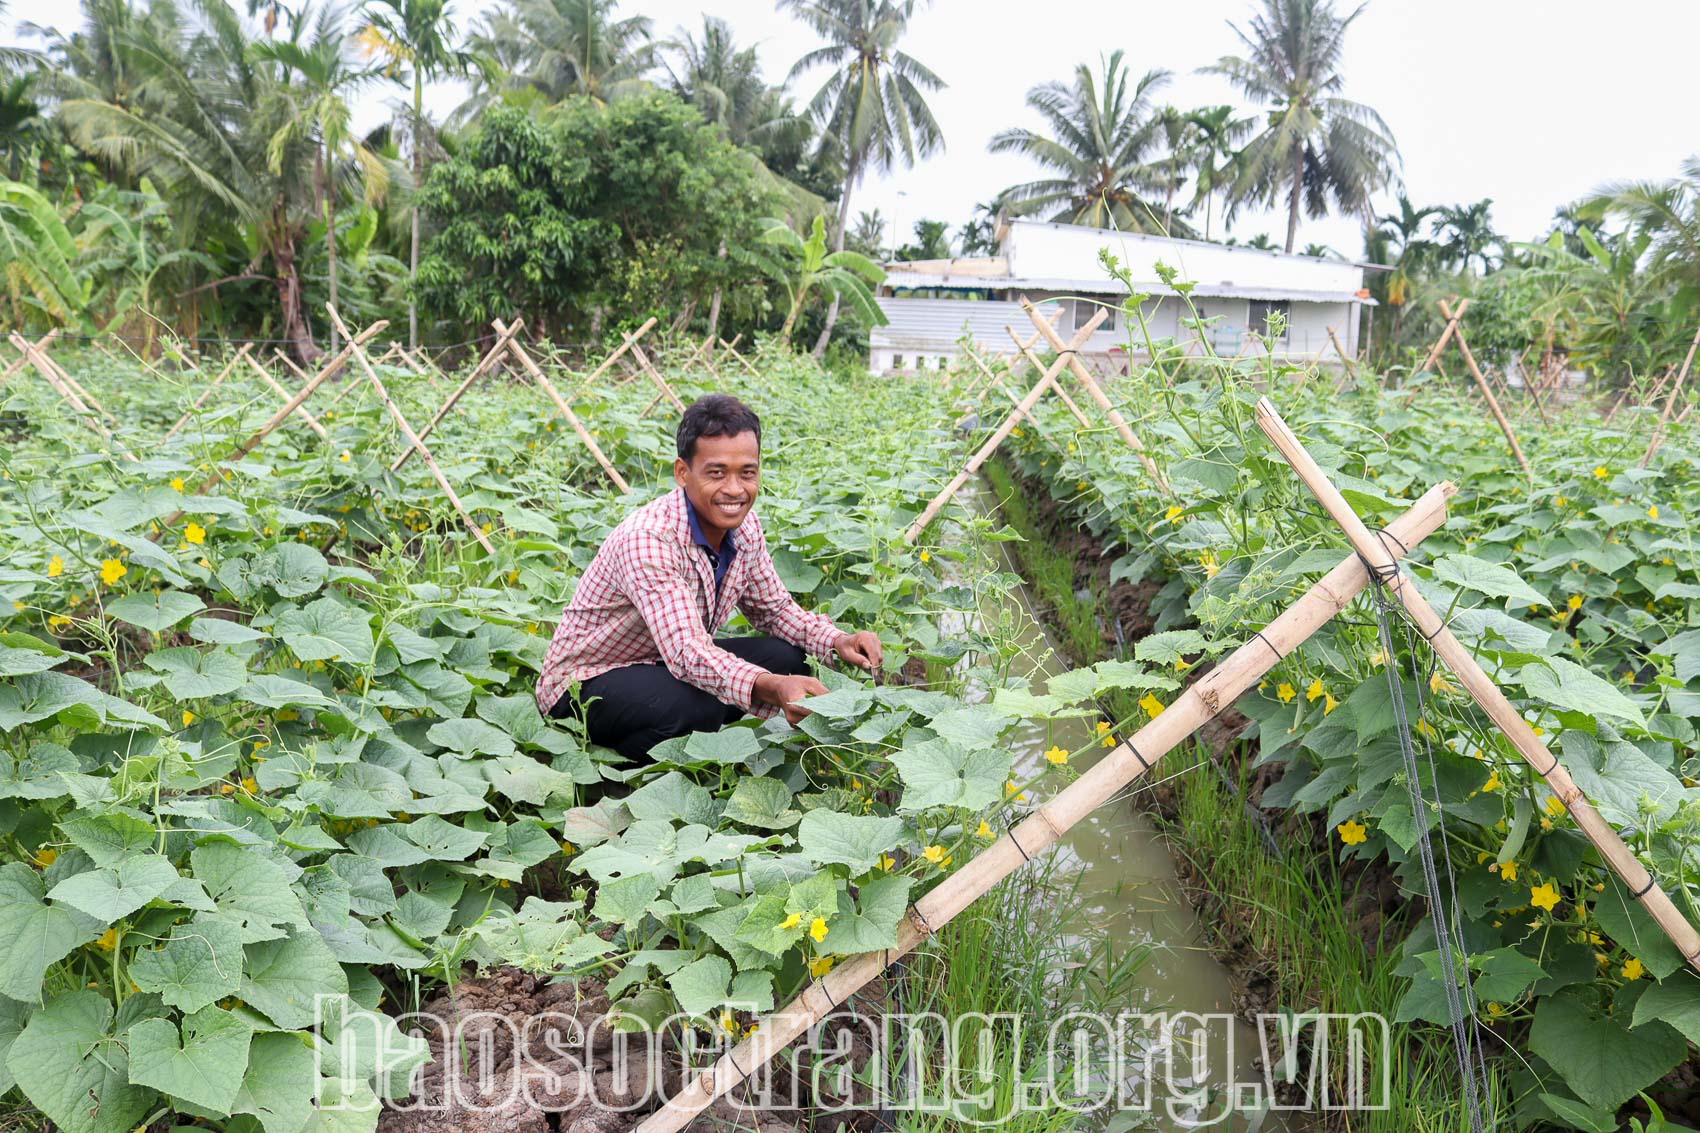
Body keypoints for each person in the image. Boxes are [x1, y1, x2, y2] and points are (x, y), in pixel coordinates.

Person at [535, 394, 884, 760]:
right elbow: (688, 652)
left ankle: (707, 738)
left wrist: (839, 640)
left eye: (747, 473)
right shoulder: (650, 538)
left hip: (660, 665)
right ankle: (625, 772)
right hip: (585, 682)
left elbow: (775, 610)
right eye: (717, 473)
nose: (735, 489)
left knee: (788, 658)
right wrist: (771, 686)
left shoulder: (744, 528)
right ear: (683, 473)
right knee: (695, 708)